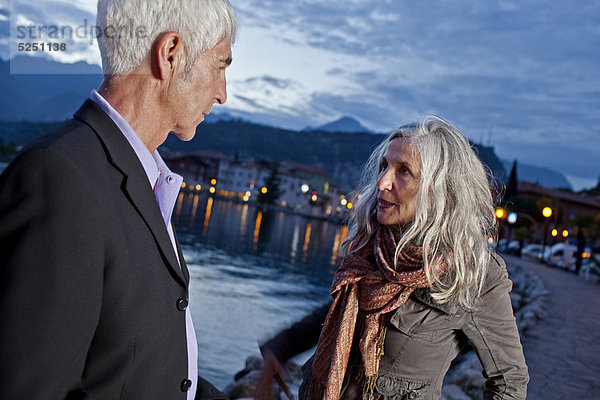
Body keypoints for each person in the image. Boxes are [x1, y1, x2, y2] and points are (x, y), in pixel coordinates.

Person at [0, 0, 237, 398]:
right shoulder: (59, 178)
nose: (222, 93)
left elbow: (137, 366)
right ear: (171, 53)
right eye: (219, 67)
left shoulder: (138, 178)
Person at [255, 116, 528, 400]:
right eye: (384, 165)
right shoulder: (374, 242)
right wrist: (281, 347)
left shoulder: (472, 272)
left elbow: (509, 383)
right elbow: (342, 310)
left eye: (404, 171)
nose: (383, 181)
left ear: (439, 190)